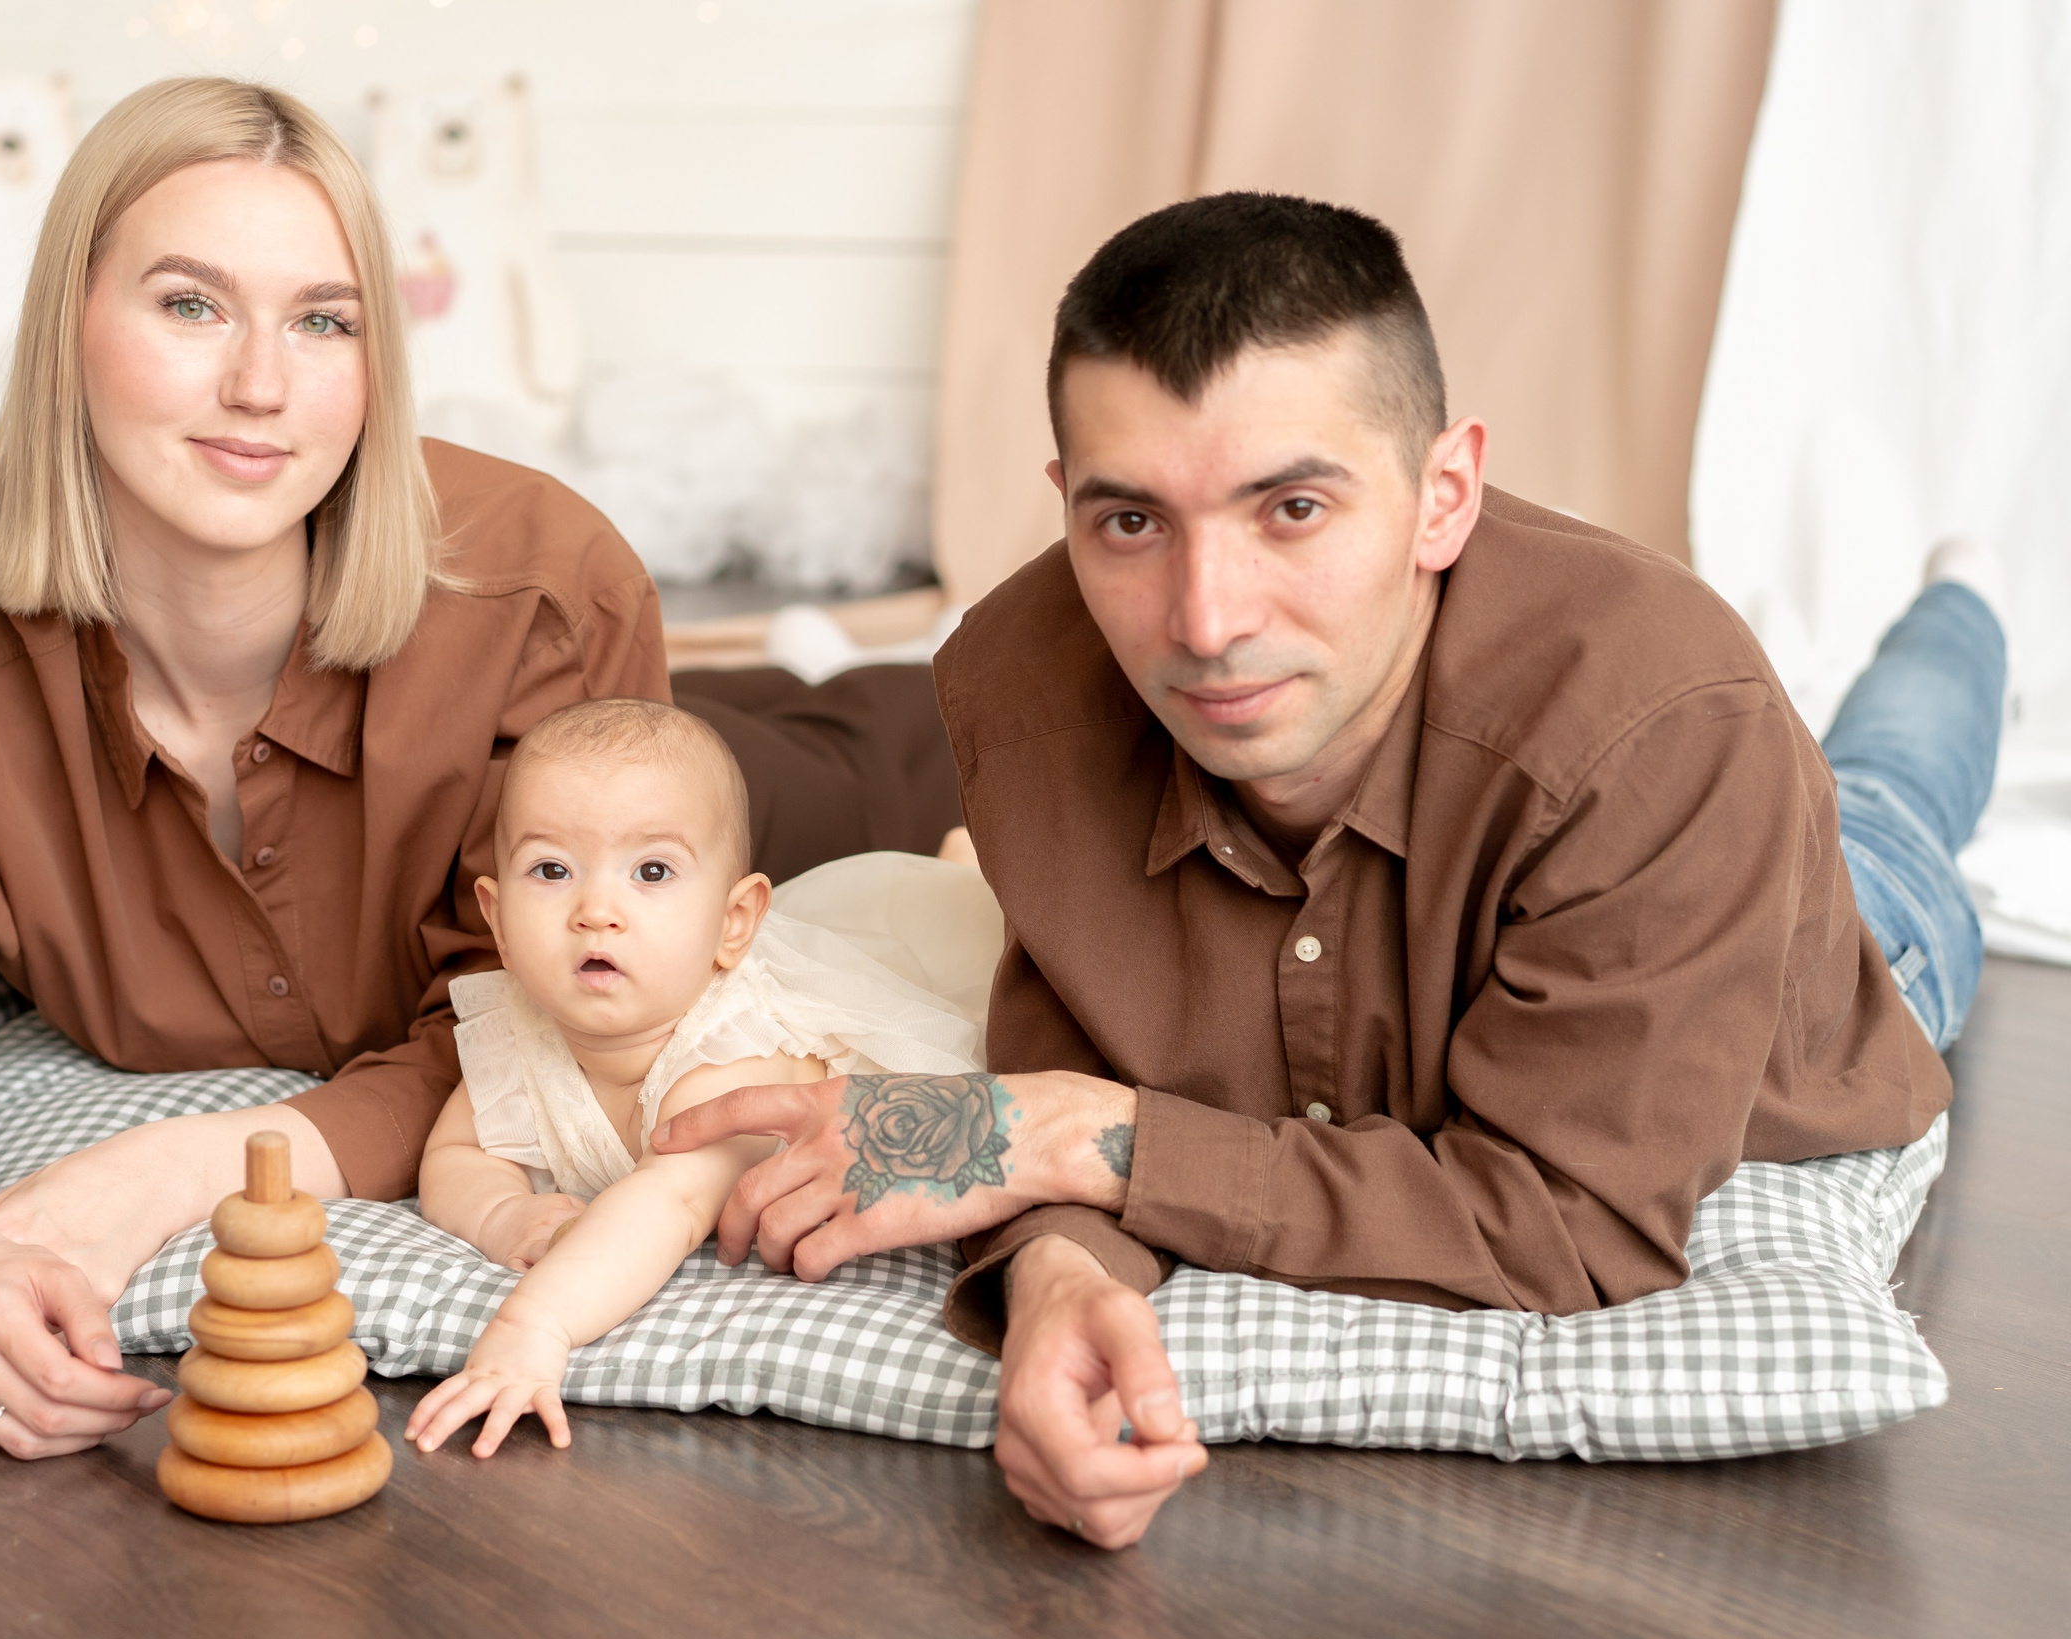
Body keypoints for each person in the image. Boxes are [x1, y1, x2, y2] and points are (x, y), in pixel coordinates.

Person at [657, 192, 2004, 1549]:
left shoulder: (1667, 728)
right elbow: (1080, 1044)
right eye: (1133, 522)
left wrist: (1064, 1130)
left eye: (1292, 507)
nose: (1207, 620)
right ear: (1066, 507)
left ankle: (1968, 603)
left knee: (1893, 800)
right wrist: (1058, 1287)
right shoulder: (1030, 692)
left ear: (1444, 496)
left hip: (1791, 973)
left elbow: (1562, 1220)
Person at [0, 78, 958, 1461]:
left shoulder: (547, 589)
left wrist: (175, 1172)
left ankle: (873, 667)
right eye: (191, 304)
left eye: (325, 321)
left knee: (922, 760)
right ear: (67, 323)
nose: (261, 384)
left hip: (788, 804)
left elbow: (543, 1022)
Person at [403, 698, 985, 1457]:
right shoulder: (518, 1024)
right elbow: (455, 1154)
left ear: (733, 922)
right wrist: (503, 1216)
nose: (596, 910)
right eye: (552, 869)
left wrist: (533, 1325)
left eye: (651, 870)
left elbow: (669, 1202)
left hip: (938, 967)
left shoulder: (728, 1054)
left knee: (972, 949)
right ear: (499, 920)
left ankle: (963, 864)